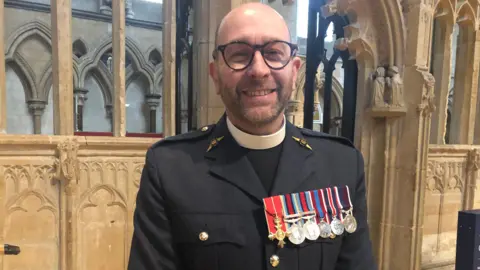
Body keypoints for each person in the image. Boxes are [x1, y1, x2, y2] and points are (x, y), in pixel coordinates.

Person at [127, 2, 377, 270]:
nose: (258, 70)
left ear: (294, 71)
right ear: (215, 75)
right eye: (238, 54)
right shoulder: (170, 169)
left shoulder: (342, 164)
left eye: (273, 52)